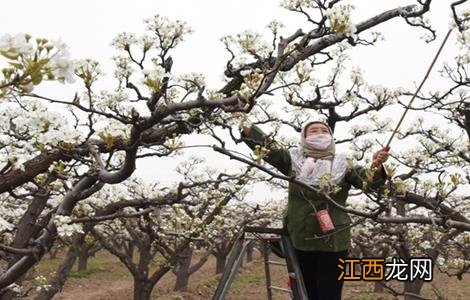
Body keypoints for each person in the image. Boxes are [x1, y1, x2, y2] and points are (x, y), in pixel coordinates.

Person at [238, 118, 389, 300]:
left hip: (334, 240)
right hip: (300, 238)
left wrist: (376, 166)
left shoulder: (344, 164)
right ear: (304, 137)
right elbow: (269, 149)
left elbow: (368, 182)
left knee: (329, 293)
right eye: (313, 131)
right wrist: (244, 122)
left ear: (331, 137)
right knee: (303, 292)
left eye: (324, 131)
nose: (319, 134)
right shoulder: (292, 160)